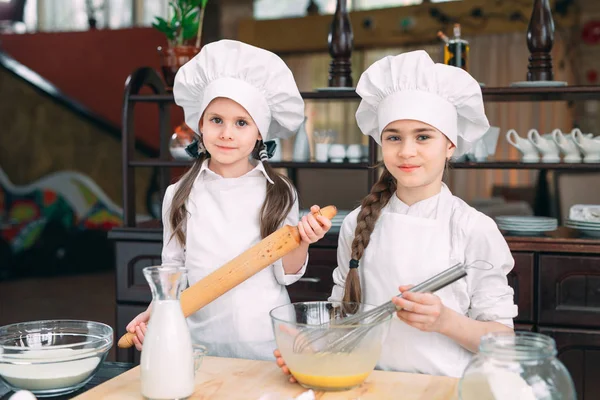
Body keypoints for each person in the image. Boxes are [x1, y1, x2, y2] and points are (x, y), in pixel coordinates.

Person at [275, 50, 517, 378]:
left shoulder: (474, 229)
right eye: (394, 137)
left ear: (450, 145)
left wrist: (446, 321)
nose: (406, 151)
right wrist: (311, 351)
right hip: (370, 387)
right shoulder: (356, 223)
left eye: (423, 136)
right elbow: (343, 320)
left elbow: (505, 341)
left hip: (446, 391)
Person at [126, 40, 332, 361]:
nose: (226, 134)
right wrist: (156, 312)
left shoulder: (278, 192)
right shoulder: (179, 194)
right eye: (216, 120)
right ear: (200, 125)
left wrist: (303, 240)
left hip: (266, 343)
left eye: (241, 123)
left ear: (260, 133)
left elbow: (285, 273)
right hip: (198, 344)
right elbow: (173, 269)